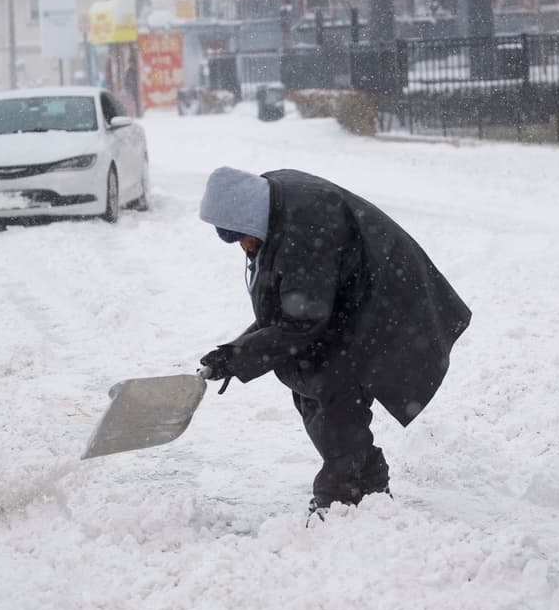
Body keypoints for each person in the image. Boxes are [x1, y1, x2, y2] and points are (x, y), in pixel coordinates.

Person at [197, 166, 471, 515]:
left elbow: (301, 321)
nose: (244, 247)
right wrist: (232, 353)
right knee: (311, 378)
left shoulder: (304, 227)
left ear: (249, 219)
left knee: (334, 390)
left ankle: (342, 499)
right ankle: (370, 486)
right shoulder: (271, 204)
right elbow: (288, 313)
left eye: (241, 237)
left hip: (384, 303)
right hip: (348, 302)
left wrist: (238, 357)